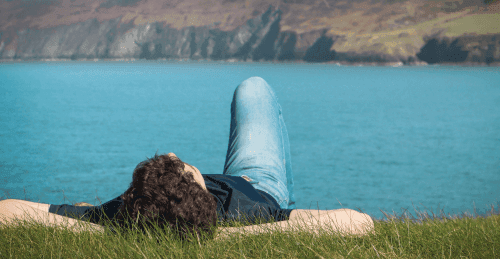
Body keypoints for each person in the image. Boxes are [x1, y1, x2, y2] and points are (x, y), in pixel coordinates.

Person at [0, 77, 374, 240]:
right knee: (254, 88)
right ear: (200, 188)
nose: (178, 155)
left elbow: (6, 212)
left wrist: (104, 227)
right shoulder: (252, 216)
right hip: (259, 183)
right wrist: (226, 241)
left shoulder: (125, 213)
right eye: (185, 166)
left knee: (249, 90)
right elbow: (360, 224)